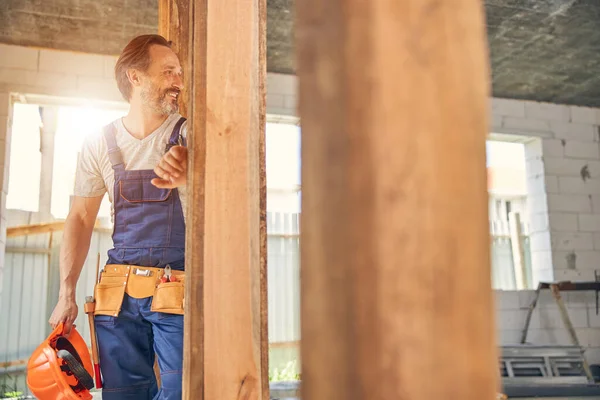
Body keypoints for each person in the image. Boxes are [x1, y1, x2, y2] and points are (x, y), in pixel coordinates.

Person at [48, 34, 188, 400]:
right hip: (116, 295)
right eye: (169, 71)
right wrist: (67, 292)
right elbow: (80, 217)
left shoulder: (190, 134)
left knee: (183, 391)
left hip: (178, 289)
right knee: (123, 394)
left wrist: (194, 173)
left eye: (180, 72)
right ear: (135, 77)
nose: (179, 81)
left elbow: (231, 187)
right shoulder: (99, 142)